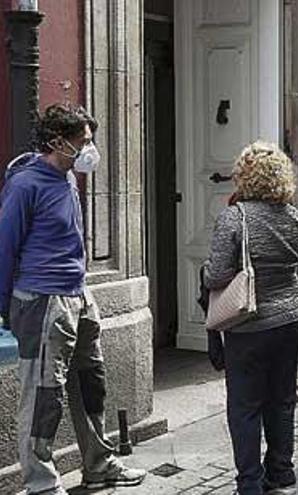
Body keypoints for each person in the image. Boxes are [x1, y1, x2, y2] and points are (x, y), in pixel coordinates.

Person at [0, 104, 146, 494]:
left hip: (78, 292)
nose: (89, 148)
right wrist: (4, 308)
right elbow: (5, 247)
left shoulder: (66, 177)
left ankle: (98, 463)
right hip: (42, 298)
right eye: (82, 141)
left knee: (91, 381)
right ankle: (42, 484)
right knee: (43, 394)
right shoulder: (25, 184)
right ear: (56, 141)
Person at [202, 141, 298, 495]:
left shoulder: (236, 216)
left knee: (245, 405)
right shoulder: (294, 216)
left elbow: (217, 276)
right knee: (282, 400)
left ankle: (249, 483)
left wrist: (204, 271)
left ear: (244, 176)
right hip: (291, 319)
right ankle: (282, 475)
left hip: (249, 325)